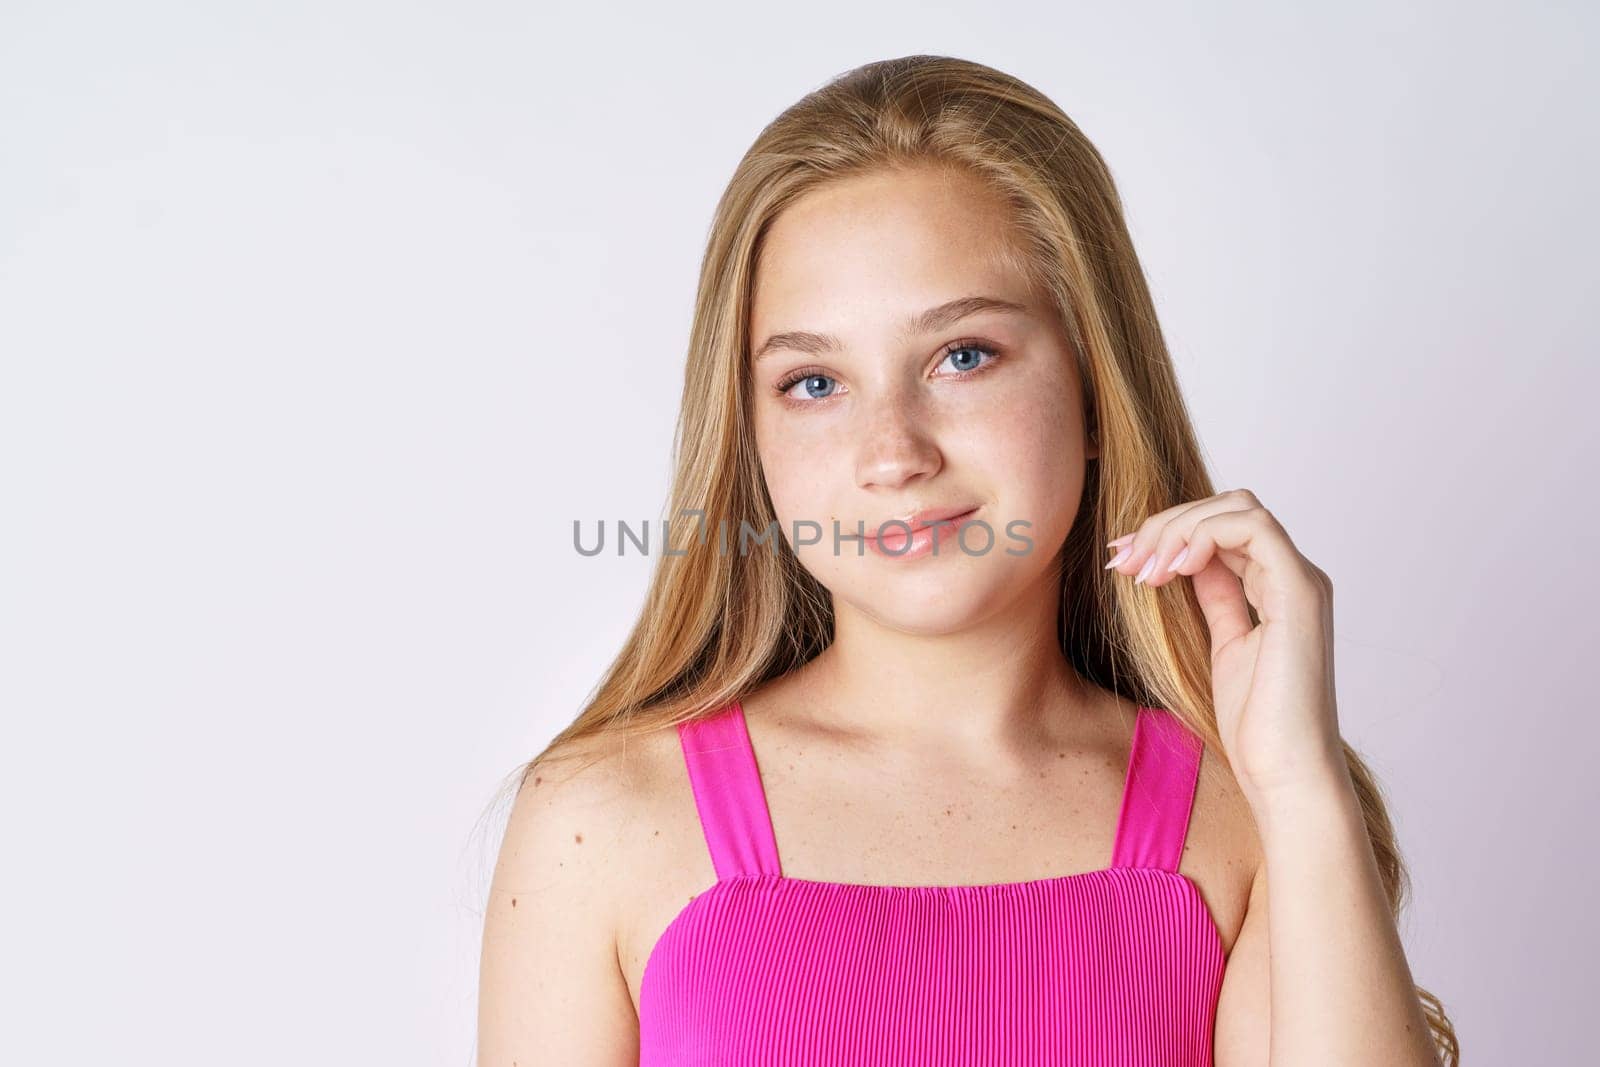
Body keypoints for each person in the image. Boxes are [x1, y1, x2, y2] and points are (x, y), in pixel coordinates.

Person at [476, 54, 1459, 1065]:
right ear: (750, 437)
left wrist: (1299, 785)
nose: (894, 453)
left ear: (1092, 387)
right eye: (814, 382)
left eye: (962, 356)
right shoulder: (599, 822)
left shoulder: (1244, 812)